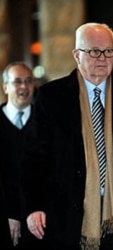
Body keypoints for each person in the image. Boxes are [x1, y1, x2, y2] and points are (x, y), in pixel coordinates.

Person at [20, 22, 113, 250]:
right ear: (77, 55)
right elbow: (36, 158)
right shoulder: (52, 97)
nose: (102, 58)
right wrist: (34, 206)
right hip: (67, 213)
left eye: (109, 51)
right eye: (94, 52)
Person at [0, 62, 36, 249]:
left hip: (40, 225)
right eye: (18, 81)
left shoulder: (46, 122)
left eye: (29, 81)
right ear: (5, 87)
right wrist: (11, 213)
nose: (24, 86)